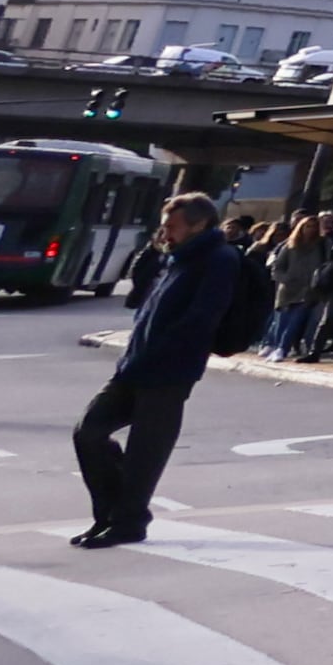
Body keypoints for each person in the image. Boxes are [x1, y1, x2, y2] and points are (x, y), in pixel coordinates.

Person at [72, 190, 240, 548]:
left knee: (144, 455)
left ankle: (127, 522)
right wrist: (155, 250)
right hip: (136, 363)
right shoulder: (174, 257)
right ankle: (111, 513)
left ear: (199, 224)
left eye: (172, 227)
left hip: (170, 371)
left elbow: (204, 316)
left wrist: (165, 350)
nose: (165, 233)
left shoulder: (219, 258)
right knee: (88, 431)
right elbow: (138, 297)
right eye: (164, 226)